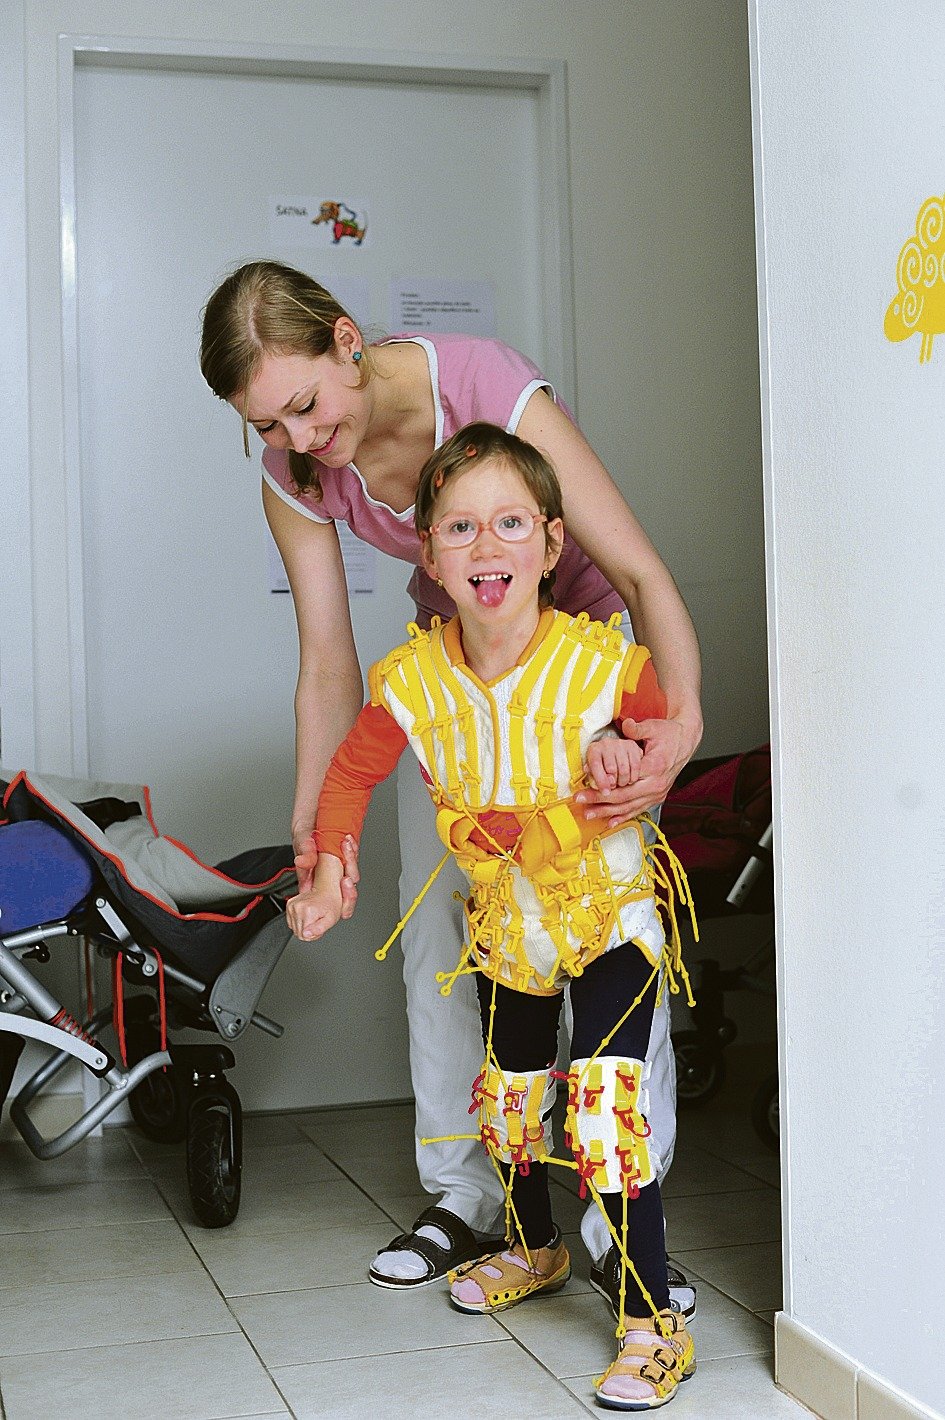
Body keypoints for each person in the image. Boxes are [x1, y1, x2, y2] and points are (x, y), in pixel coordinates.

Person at [199, 261, 703, 1299]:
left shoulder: (483, 382)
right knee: (440, 924)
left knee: (610, 926)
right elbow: (330, 664)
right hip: (456, 684)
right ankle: (468, 1191)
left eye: (303, 405)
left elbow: (641, 571)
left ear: (348, 340)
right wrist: (315, 832)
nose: (297, 440)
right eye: (267, 425)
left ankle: (620, 1218)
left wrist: (679, 719)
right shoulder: (292, 468)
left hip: (579, 674)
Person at [287, 423, 697, 1411]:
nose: (487, 545)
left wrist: (625, 757)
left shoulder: (603, 658)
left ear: (553, 545)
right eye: (460, 528)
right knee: (510, 1102)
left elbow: (652, 728)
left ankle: (650, 1322)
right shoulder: (415, 682)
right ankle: (532, 1245)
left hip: (609, 919)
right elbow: (349, 771)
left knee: (603, 1104)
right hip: (507, 927)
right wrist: (328, 864)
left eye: (511, 523)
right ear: (428, 556)